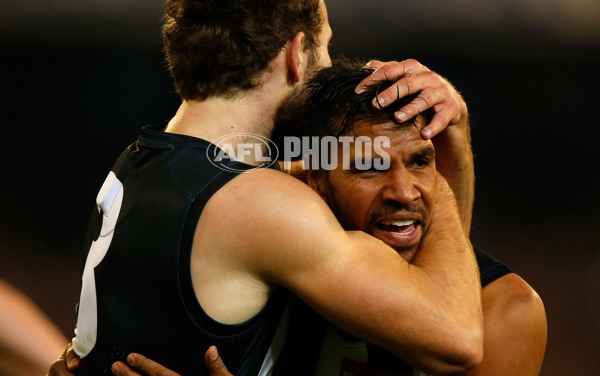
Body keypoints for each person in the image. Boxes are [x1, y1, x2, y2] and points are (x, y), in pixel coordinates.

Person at [49, 0, 483, 376]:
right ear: (296, 54)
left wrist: (453, 132)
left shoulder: (141, 160)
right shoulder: (260, 205)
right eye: (325, 46)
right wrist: (428, 164)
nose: (329, 66)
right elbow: (457, 338)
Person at [80, 61, 546, 376]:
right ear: (311, 178)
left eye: (421, 161)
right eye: (368, 166)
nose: (404, 192)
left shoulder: (506, 314)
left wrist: (450, 147)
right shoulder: (278, 251)